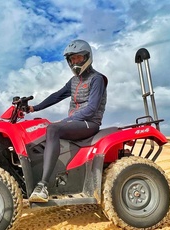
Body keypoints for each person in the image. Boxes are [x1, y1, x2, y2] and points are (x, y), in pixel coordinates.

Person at [28, 39, 108, 202]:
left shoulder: (97, 79)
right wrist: (34, 108)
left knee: (53, 129)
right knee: (40, 131)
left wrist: (66, 121)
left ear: (87, 57)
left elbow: (92, 109)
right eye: (72, 59)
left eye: (78, 58)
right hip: (76, 122)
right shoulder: (73, 81)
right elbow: (56, 96)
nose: (75, 62)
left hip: (89, 123)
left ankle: (43, 186)